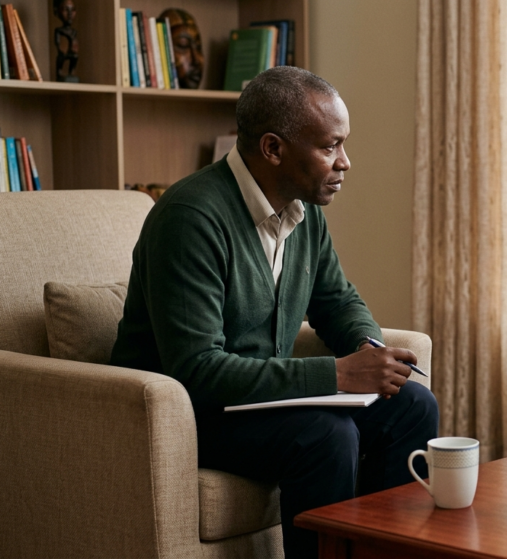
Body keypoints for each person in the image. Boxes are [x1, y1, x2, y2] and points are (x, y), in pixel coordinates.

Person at [110, 67, 439, 557]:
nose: (345, 162)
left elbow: (337, 302)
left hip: (265, 399)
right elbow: (197, 370)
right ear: (272, 148)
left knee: (413, 406)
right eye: (330, 147)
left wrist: (372, 353)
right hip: (186, 411)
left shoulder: (304, 212)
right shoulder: (190, 218)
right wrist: (338, 375)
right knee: (326, 435)